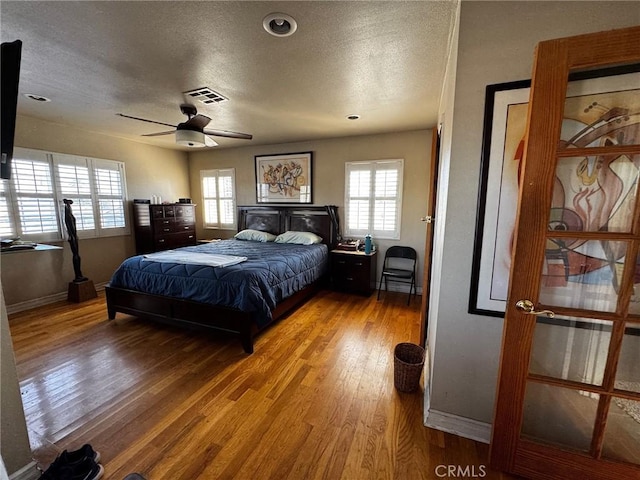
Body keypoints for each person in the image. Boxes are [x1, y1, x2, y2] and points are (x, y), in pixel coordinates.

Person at [63, 199, 87, 282]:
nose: (70, 205)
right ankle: (78, 275)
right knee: (76, 255)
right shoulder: (67, 216)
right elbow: (69, 227)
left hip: (74, 236)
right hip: (72, 236)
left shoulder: (71, 215)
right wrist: (71, 236)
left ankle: (79, 274)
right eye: (69, 204)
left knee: (77, 256)